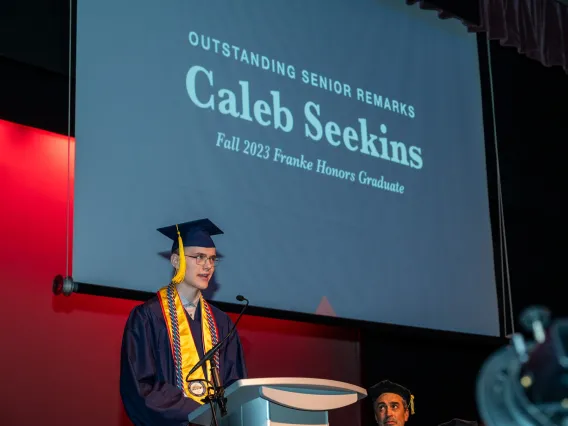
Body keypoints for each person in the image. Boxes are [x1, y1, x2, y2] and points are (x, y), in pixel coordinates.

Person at [120, 218, 248, 426]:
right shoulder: (147, 317)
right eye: (199, 257)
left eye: (212, 259)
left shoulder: (222, 323)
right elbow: (141, 387)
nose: (207, 266)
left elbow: (235, 385)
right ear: (176, 261)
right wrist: (200, 412)